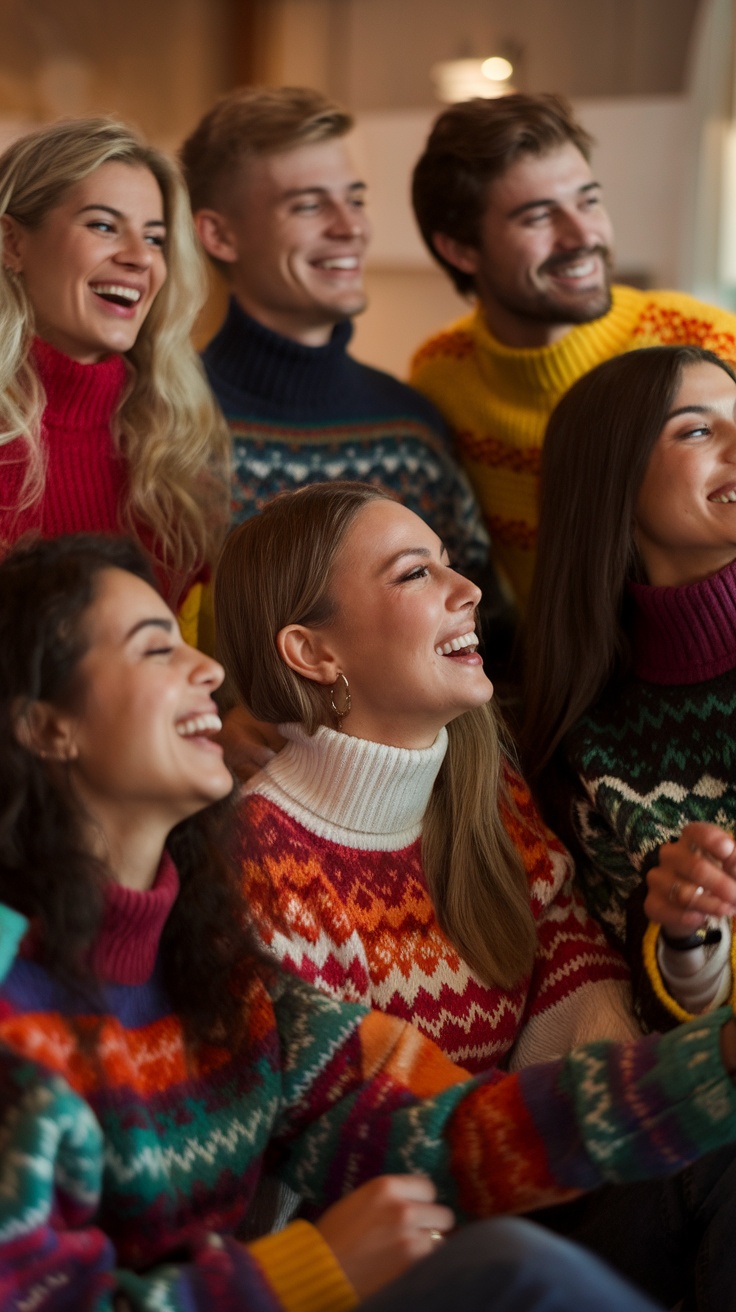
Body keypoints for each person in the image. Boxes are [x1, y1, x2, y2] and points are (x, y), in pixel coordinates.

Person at [0, 531, 693, 1312]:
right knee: (513, 1268)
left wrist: (715, 1065)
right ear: (44, 726)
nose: (211, 669)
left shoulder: (210, 964)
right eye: (156, 650)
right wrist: (305, 1273)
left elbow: (445, 1128)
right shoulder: (16, 1012)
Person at [214, 481, 635, 1075]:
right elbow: (339, 1125)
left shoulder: (488, 787)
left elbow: (578, 979)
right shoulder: (254, 860)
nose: (468, 590)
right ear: (312, 653)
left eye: (449, 563)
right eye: (414, 574)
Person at [408, 93, 736, 613]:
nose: (584, 235)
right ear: (460, 249)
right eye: (539, 217)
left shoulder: (709, 340)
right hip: (562, 679)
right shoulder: (440, 373)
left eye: (589, 201)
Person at [179, 85, 489, 585]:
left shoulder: (412, 429)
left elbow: (480, 629)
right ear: (219, 235)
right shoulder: (164, 429)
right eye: (308, 206)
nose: (351, 228)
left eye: (356, 199)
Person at [522, 345, 736, 1033]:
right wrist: (685, 938)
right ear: (613, 481)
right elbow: (667, 1019)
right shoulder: (580, 737)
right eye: (697, 429)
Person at [0, 116, 230, 645]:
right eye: (104, 226)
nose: (138, 258)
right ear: (12, 244)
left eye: (155, 238)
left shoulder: (175, 441)